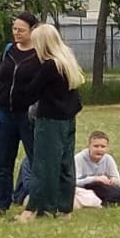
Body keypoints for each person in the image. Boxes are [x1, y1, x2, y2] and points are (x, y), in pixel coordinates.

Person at [16, 23, 83, 222]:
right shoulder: (67, 62)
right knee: (65, 164)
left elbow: (30, 91)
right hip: (68, 120)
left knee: (44, 165)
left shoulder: (48, 66)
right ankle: (64, 208)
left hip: (50, 121)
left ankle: (34, 208)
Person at [0, 12, 43, 214]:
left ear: (32, 31)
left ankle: (37, 202)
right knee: (3, 163)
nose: (17, 33)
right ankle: (2, 204)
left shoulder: (39, 54)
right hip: (4, 113)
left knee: (35, 160)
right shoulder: (9, 50)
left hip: (27, 115)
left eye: (21, 30)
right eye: (14, 29)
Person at [73, 131, 120, 208]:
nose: (99, 149)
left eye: (103, 146)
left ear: (107, 148)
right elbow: (73, 182)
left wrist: (113, 181)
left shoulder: (108, 159)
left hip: (104, 189)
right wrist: (94, 179)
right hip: (84, 190)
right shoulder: (79, 158)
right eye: (96, 146)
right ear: (89, 146)